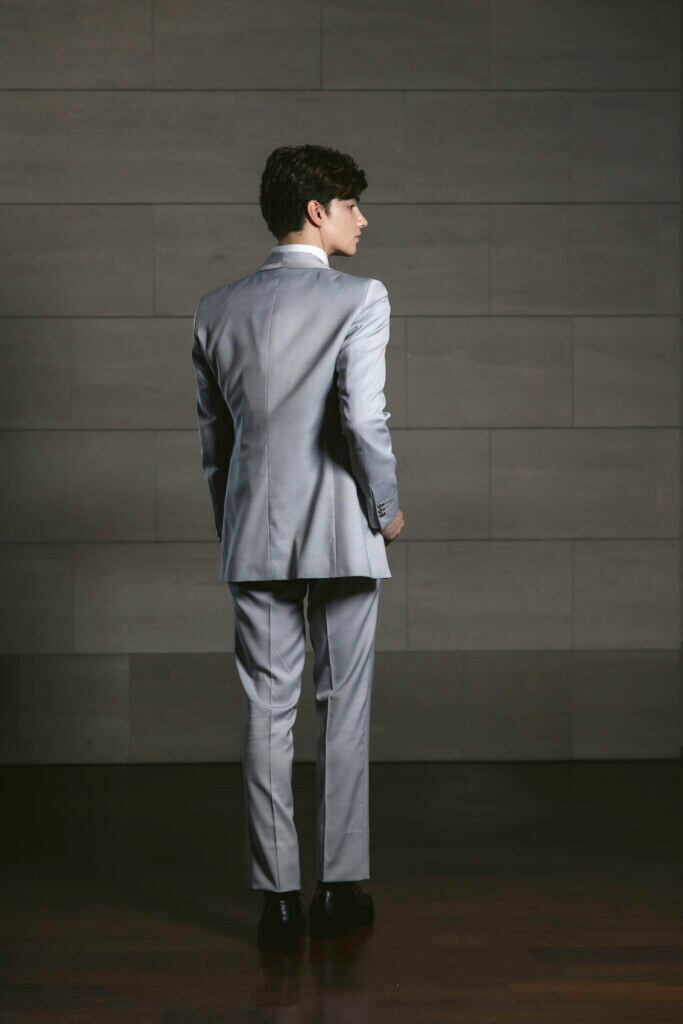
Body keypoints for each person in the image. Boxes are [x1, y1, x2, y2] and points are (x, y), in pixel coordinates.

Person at [191, 143, 404, 952]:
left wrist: (235, 526)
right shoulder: (361, 297)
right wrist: (386, 508)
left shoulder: (216, 309)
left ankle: (277, 900)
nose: (362, 219)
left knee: (265, 712)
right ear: (317, 211)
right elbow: (362, 418)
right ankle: (340, 888)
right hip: (344, 530)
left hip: (255, 533)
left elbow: (215, 444)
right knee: (343, 708)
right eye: (351, 204)